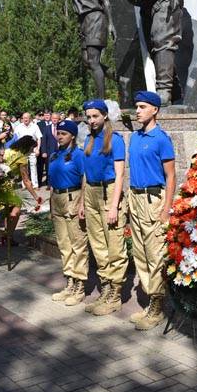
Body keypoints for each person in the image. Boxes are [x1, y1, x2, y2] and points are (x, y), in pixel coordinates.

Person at [46, 0, 122, 98]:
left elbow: (105, 0)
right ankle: (121, 79)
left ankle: (100, 102)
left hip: (95, 17)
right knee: (87, 62)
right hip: (82, 21)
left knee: (93, 61)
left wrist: (111, 24)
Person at [128, 91, 176, 330]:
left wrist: (167, 208)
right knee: (140, 252)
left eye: (142, 107)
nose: (137, 111)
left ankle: (157, 305)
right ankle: (150, 302)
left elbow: (171, 176)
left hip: (153, 199)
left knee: (155, 253)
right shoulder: (135, 137)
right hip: (135, 197)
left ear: (155, 110)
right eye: (137, 106)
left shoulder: (161, 139)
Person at [80, 99, 127, 315]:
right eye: (89, 117)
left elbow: (120, 174)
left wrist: (114, 206)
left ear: (105, 115)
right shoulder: (88, 140)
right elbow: (85, 173)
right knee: (98, 246)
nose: (91, 120)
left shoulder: (115, 140)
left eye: (95, 116)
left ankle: (115, 294)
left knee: (114, 246)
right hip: (91, 192)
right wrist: (82, 201)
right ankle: (106, 289)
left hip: (109, 193)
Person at [49, 120, 88, 306]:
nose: (60, 136)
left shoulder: (78, 155)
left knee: (77, 244)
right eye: (58, 133)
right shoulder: (55, 155)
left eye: (64, 133)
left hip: (73, 198)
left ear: (72, 136)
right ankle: (70, 282)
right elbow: (52, 181)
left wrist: (82, 204)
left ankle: (80, 285)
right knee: (64, 245)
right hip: (57, 200)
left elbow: (84, 179)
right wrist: (51, 204)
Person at [3, 135, 40, 238]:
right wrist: (36, 197)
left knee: (8, 210)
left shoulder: (8, 151)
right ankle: (9, 236)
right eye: (32, 148)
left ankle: (5, 234)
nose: (32, 151)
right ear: (26, 147)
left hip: (0, 185)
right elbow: (26, 181)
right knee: (16, 209)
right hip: (10, 187)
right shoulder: (22, 159)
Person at [15, 112, 42, 190]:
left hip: (32, 150)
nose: (25, 119)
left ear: (30, 118)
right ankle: (25, 184)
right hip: (22, 151)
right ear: (22, 119)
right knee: (23, 168)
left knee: (33, 167)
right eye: (24, 118)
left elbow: (39, 138)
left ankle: (35, 185)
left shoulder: (35, 126)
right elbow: (15, 138)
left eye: (27, 118)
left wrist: (38, 149)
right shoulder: (18, 127)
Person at [41, 112, 60, 189]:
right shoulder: (46, 128)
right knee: (49, 168)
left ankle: (58, 183)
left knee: (59, 167)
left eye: (56, 118)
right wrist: (44, 151)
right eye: (53, 118)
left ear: (59, 119)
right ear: (51, 119)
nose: (54, 120)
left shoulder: (61, 127)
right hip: (49, 151)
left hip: (60, 151)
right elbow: (43, 140)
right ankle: (49, 184)